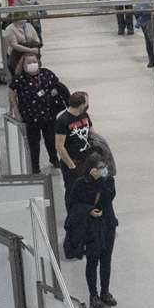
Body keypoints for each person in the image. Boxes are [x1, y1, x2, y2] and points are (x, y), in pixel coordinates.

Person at [66, 153, 118, 308]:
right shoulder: (80, 184)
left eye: (104, 168)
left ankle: (105, 292)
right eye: (100, 168)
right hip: (91, 227)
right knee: (93, 260)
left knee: (106, 260)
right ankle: (93, 294)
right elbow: (72, 205)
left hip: (107, 225)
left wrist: (101, 181)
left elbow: (109, 197)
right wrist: (89, 210)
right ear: (91, 169)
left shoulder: (108, 181)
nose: (104, 170)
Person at [7, 54, 67, 170]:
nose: (32, 65)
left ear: (38, 62)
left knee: (50, 139)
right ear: (23, 65)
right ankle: (35, 165)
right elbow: (12, 94)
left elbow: (58, 87)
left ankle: (54, 159)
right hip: (30, 116)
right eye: (28, 63)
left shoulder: (47, 74)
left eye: (34, 62)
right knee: (33, 142)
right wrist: (15, 111)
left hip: (49, 114)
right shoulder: (19, 79)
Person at [54, 92, 95, 256]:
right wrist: (72, 166)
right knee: (75, 198)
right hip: (74, 165)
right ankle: (73, 235)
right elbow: (59, 146)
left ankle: (87, 230)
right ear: (81, 104)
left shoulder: (84, 115)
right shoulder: (63, 120)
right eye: (87, 101)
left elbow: (92, 133)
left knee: (89, 196)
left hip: (88, 161)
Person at [1, 9, 41, 77]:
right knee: (18, 74)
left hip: (32, 52)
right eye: (22, 17)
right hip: (16, 54)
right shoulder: (9, 28)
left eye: (25, 16)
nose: (25, 19)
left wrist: (34, 48)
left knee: (34, 72)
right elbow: (14, 45)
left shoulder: (29, 26)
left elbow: (37, 39)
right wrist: (30, 50)